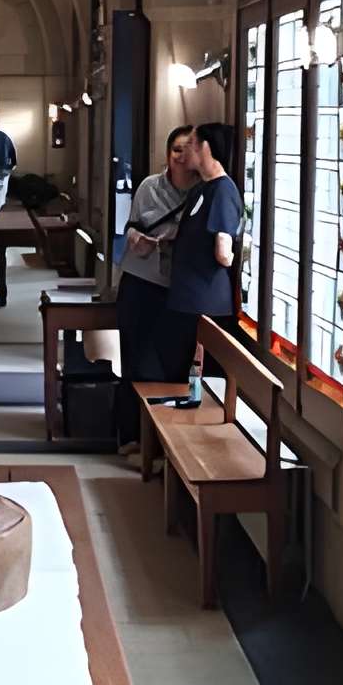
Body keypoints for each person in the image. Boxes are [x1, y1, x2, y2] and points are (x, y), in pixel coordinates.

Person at [114, 125, 197, 454]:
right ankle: (131, 437)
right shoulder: (150, 186)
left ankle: (163, 443)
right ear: (167, 153)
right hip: (140, 281)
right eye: (175, 148)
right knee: (135, 360)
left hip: (177, 290)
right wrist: (136, 238)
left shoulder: (204, 192)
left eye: (187, 148)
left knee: (170, 366)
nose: (180, 155)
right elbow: (132, 224)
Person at [157, 123, 244, 388]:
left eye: (192, 144)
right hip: (185, 299)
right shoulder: (200, 189)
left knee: (199, 381)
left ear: (207, 148)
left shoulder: (223, 190)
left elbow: (223, 250)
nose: (186, 152)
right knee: (172, 372)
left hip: (206, 303)